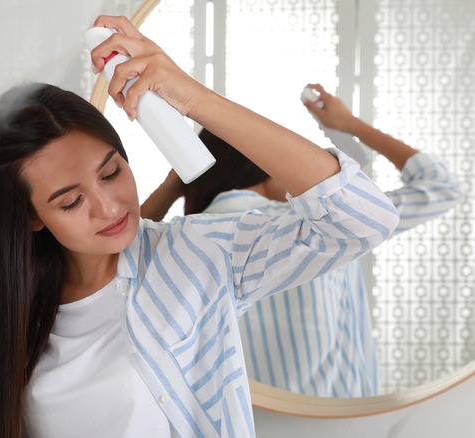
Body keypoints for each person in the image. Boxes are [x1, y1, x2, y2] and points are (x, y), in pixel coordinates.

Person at [0, 16, 400, 438]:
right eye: (69, 199)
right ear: (31, 215)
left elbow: (363, 218)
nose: (109, 207)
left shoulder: (196, 257)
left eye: (112, 172)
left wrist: (191, 97)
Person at [141, 83, 467, 398]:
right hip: (349, 421)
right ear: (264, 161)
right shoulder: (333, 218)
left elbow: (122, 257)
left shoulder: (188, 238)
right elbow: (442, 187)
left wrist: (176, 180)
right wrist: (349, 125)